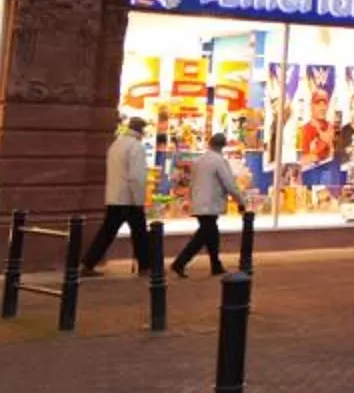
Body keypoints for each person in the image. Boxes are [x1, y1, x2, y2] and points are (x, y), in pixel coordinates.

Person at [81, 116, 155, 276]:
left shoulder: (116, 145)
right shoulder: (136, 147)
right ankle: (145, 266)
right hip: (129, 199)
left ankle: (88, 263)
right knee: (140, 233)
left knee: (107, 232)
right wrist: (139, 200)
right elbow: (136, 176)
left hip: (115, 197)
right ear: (141, 130)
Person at [173, 130, 253, 276]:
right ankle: (180, 262)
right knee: (204, 236)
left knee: (211, 235)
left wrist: (189, 200)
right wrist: (240, 202)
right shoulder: (219, 161)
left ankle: (215, 265)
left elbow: (192, 183)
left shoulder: (199, 161)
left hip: (199, 203)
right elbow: (230, 184)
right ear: (222, 146)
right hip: (210, 204)